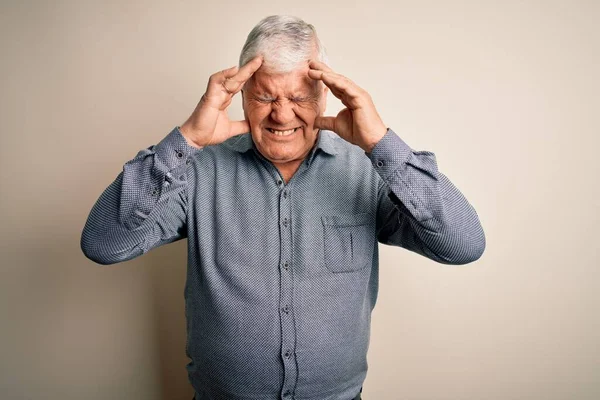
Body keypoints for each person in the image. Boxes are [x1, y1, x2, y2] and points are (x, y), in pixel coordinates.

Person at [80, 14, 485, 400]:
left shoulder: (367, 168)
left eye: (298, 97)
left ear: (324, 95)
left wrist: (380, 142)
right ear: (240, 96)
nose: (281, 114)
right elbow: (102, 243)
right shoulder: (196, 170)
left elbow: (463, 244)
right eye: (264, 96)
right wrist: (186, 139)